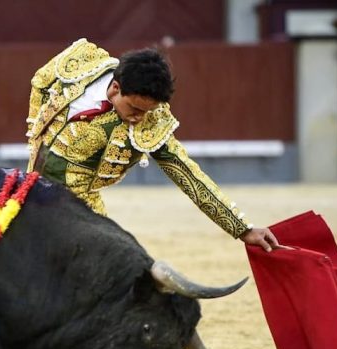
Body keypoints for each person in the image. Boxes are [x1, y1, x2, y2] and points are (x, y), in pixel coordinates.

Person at [25, 39, 279, 251]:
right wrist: (34, 132)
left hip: (78, 207)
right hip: (29, 187)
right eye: (134, 108)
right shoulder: (82, 63)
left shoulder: (152, 124)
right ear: (115, 88)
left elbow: (187, 174)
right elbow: (41, 81)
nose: (139, 118)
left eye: (147, 111)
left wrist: (241, 228)